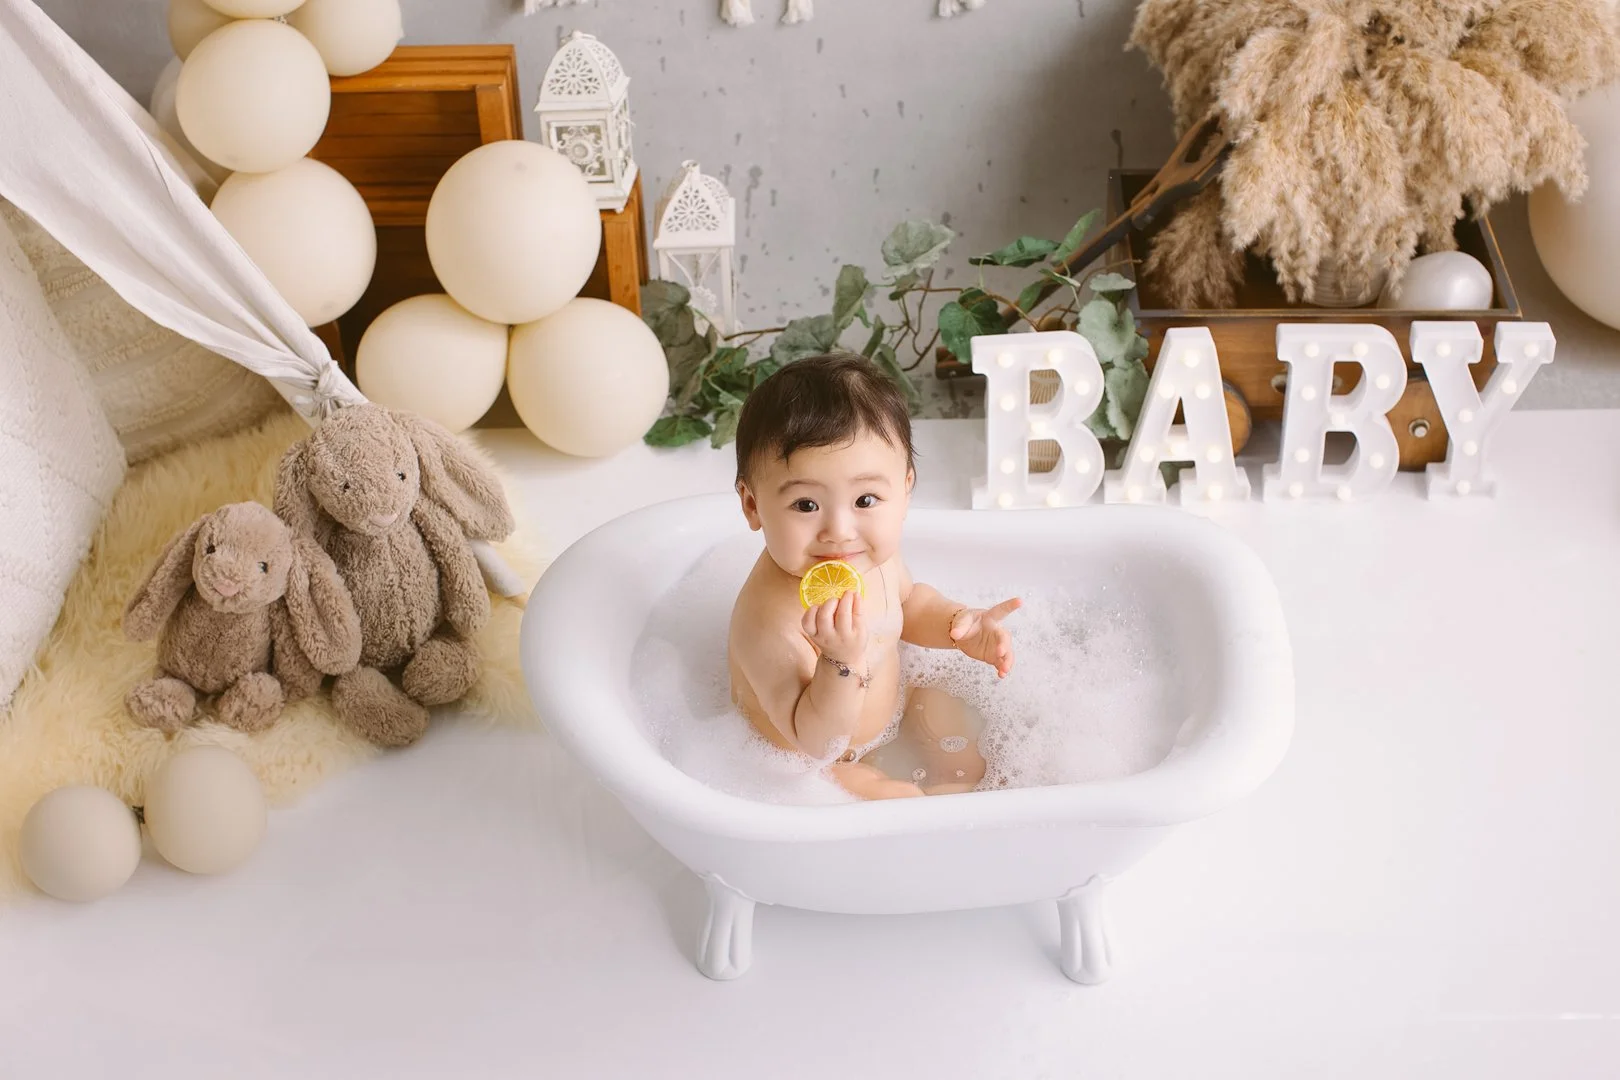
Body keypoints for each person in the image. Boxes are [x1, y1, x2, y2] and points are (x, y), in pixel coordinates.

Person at [727, 353, 1022, 799]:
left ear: (904, 488)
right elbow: (816, 738)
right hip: (811, 765)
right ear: (753, 505)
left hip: (888, 713)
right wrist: (840, 661)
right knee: (899, 804)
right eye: (806, 505)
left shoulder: (871, 559)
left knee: (977, 757)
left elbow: (909, 602)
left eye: (865, 500)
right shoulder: (769, 621)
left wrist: (959, 624)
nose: (840, 532)